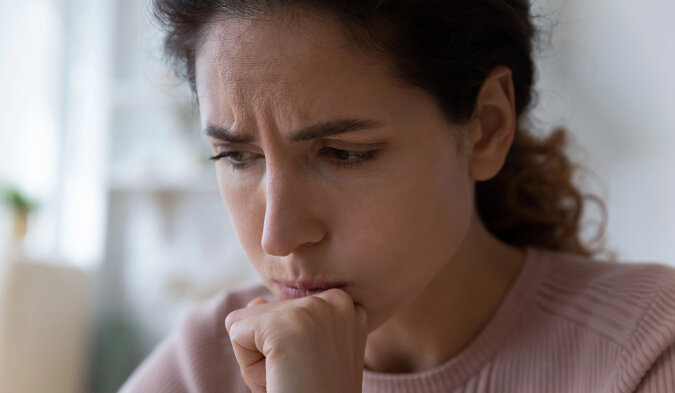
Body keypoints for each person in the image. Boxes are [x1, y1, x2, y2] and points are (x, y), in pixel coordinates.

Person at [120, 1, 675, 392]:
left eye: (343, 153)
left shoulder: (646, 350)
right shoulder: (207, 361)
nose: (279, 235)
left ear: (485, 126)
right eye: (237, 157)